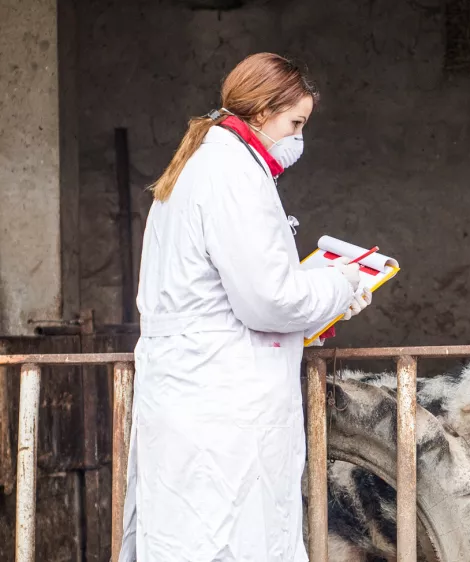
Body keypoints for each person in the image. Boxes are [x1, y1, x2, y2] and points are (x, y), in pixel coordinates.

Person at [118, 53, 370, 561]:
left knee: (185, 537)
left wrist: (315, 290)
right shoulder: (233, 172)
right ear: (262, 112)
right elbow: (268, 299)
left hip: (193, 389)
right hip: (222, 398)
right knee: (229, 538)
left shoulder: (202, 163)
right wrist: (338, 285)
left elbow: (234, 286)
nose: (299, 138)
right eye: (295, 123)